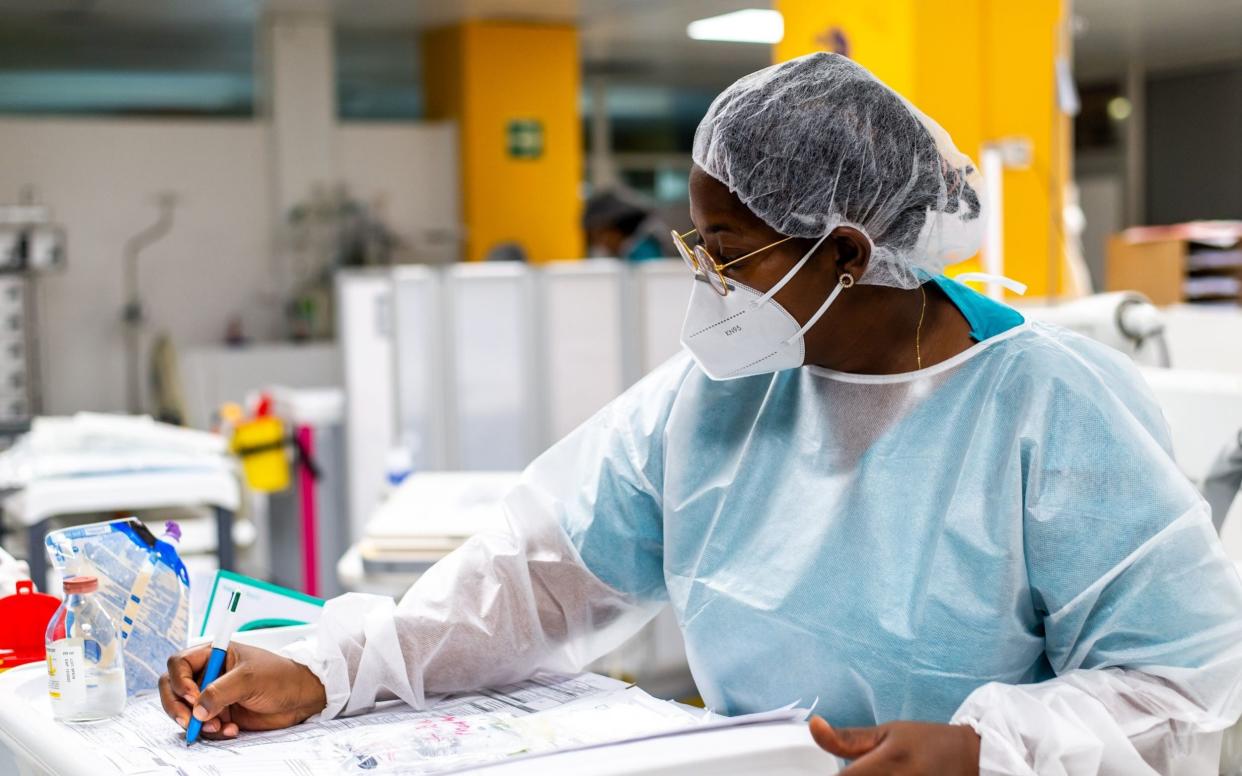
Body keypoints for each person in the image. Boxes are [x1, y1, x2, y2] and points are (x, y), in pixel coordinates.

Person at [160, 53, 1242, 775]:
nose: (705, 279)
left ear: (848, 252)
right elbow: (535, 579)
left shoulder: (1049, 407)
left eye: (725, 252)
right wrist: (331, 665)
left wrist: (984, 749)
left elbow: (1182, 692)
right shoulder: (720, 395)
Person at [583, 190, 668, 261]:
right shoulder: (629, 251)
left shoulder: (645, 251)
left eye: (601, 236)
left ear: (615, 231)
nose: (602, 244)